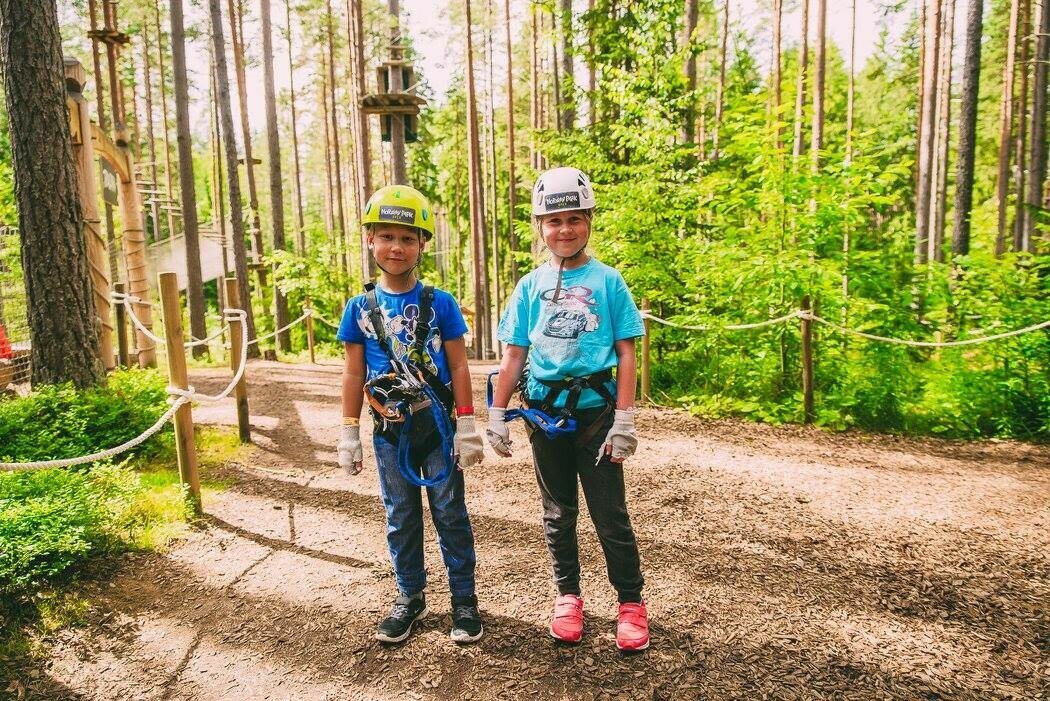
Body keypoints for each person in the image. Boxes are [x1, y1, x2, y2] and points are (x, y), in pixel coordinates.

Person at [486, 167, 650, 652]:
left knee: (609, 514)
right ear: (540, 226)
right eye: (554, 221)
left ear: (589, 222)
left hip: (597, 416)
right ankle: (568, 596)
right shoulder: (530, 286)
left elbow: (625, 351)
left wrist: (624, 417)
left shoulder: (608, 281)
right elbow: (514, 354)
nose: (564, 230)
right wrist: (496, 414)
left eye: (574, 219)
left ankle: (630, 603)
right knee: (557, 512)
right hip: (545, 413)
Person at [335, 185, 486, 644]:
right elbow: (353, 370)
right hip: (390, 430)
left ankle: (463, 600)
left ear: (422, 244)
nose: (396, 247)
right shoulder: (360, 308)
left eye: (406, 238)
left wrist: (467, 423)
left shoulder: (439, 303)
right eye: (386, 237)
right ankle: (409, 596)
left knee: (449, 511)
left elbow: (458, 363)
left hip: (438, 425)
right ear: (370, 241)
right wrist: (348, 432)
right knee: (400, 512)